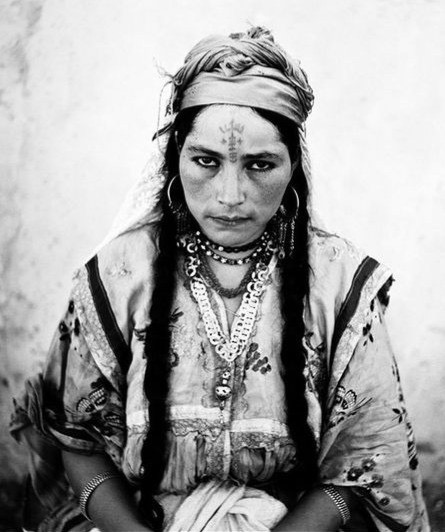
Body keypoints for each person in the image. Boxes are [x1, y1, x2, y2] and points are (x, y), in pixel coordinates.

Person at [11, 26, 429, 532]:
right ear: (175, 161)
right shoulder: (120, 274)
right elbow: (78, 440)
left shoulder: (338, 284)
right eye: (206, 161)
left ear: (293, 168)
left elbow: (363, 463)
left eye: (260, 165)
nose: (231, 195)